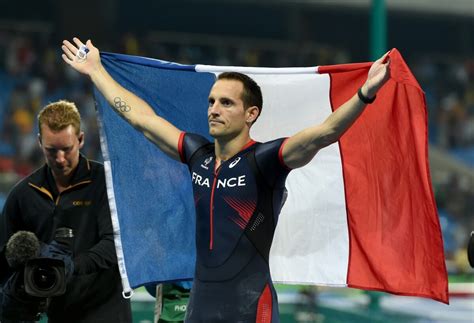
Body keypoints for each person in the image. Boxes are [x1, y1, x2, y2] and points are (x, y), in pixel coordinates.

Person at [61, 37, 390, 322]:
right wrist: (96, 71)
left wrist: (365, 93)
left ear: (251, 114)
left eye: (226, 102)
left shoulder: (267, 161)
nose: (214, 109)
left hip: (251, 306)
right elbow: (141, 118)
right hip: (201, 306)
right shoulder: (197, 154)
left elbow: (325, 133)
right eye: (212, 101)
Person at [0, 100, 132, 323]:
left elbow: (117, 243)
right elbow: (4, 254)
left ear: (80, 139)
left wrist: (72, 265)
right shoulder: (23, 195)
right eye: (52, 150)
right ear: (40, 143)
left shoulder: (106, 183)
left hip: (108, 312)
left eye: (66, 149)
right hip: (58, 314)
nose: (60, 159)